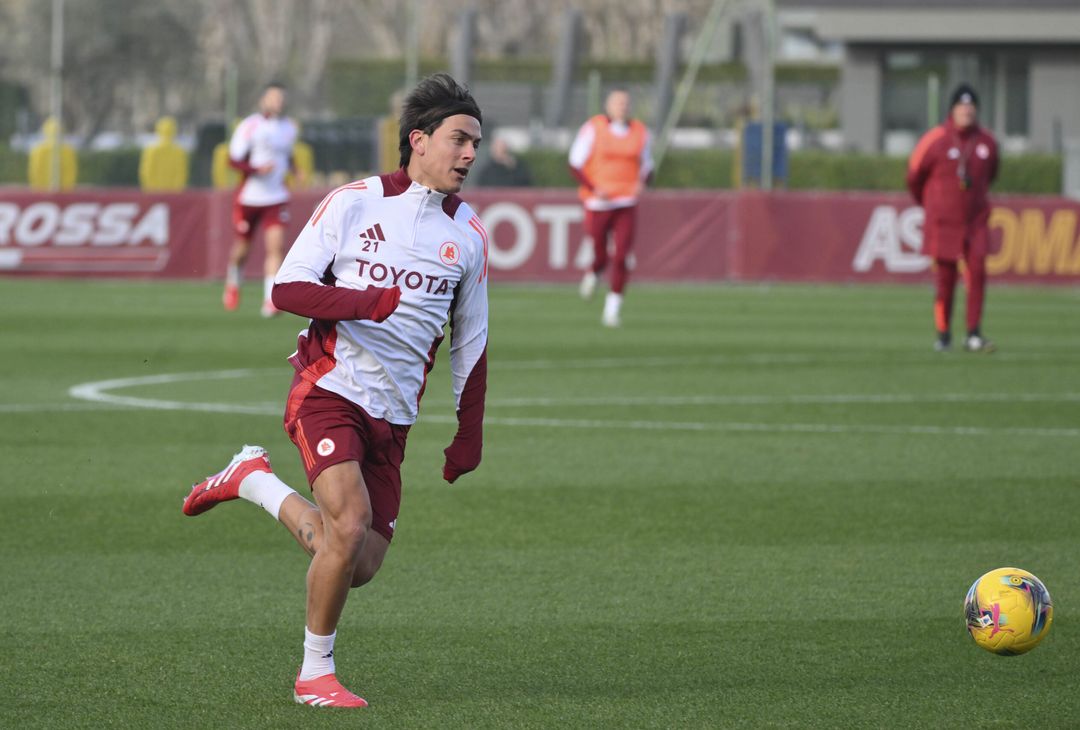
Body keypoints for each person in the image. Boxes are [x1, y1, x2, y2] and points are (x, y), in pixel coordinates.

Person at [182, 72, 488, 709]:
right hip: (329, 388)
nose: (468, 155)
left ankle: (251, 479)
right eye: (459, 140)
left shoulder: (470, 237)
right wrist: (366, 302)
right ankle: (313, 675)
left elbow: (471, 343)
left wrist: (469, 432)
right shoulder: (356, 202)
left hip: (395, 415)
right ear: (418, 140)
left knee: (361, 560)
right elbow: (287, 290)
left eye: (475, 145)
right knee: (347, 528)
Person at [907, 82, 999, 352]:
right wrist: (930, 204)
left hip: (975, 221)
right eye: (962, 106)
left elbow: (991, 174)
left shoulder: (987, 142)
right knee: (945, 281)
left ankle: (973, 332)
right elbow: (914, 176)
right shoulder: (935, 139)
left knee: (978, 273)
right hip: (944, 224)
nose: (967, 111)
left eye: (971, 107)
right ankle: (943, 333)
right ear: (952, 109)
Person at [568, 88, 653, 327]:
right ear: (608, 105)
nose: (622, 107)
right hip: (599, 202)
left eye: (625, 103)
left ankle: (612, 309)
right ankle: (593, 272)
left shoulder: (639, 132)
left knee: (623, 254)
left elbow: (647, 165)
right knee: (601, 253)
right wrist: (594, 188)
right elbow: (575, 163)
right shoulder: (594, 128)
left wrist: (642, 183)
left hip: (626, 201)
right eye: (617, 103)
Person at [223, 81, 299, 317]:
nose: (279, 102)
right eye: (274, 97)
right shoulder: (250, 125)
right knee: (242, 248)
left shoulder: (289, 127)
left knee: (276, 247)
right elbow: (233, 160)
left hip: (276, 196)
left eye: (281, 98)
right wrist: (256, 169)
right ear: (263, 100)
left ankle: (270, 300)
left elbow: (286, 155)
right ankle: (233, 281)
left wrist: (296, 169)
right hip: (250, 197)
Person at [138, 116, 189, 192]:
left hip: (154, 192)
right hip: (173, 193)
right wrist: (177, 190)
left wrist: (150, 188)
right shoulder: (179, 151)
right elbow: (181, 174)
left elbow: (147, 171)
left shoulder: (151, 150)